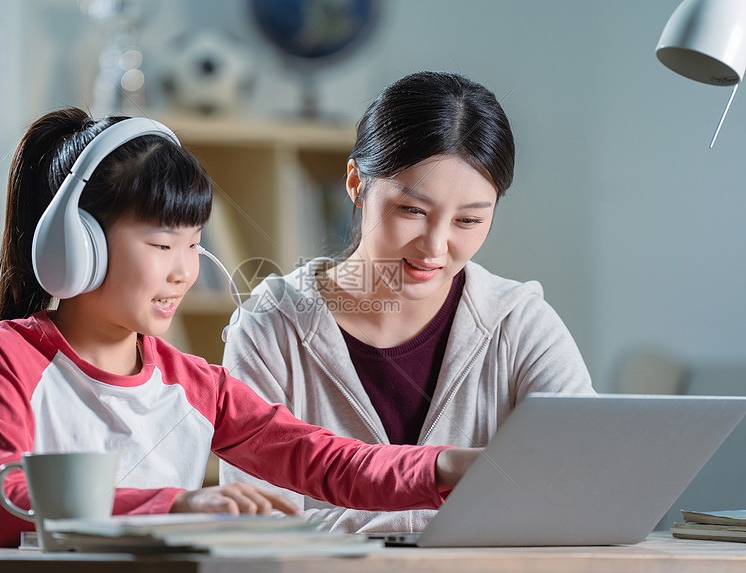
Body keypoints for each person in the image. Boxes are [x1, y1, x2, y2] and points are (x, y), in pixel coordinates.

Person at [0, 107, 480, 549]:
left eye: (194, 244)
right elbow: (2, 505)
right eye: (162, 245)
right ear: (78, 246)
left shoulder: (196, 385)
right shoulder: (3, 358)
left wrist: (442, 468)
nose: (185, 271)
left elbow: (326, 461)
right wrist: (180, 507)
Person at [219, 71, 596, 533]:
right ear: (356, 182)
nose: (435, 246)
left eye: (469, 220)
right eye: (412, 211)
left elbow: (582, 493)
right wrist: (440, 506)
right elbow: (255, 530)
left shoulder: (521, 326)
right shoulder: (270, 329)